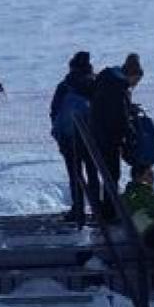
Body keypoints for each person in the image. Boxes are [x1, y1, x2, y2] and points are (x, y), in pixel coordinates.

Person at [90, 53, 143, 219]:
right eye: (136, 80)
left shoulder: (109, 80)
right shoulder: (118, 87)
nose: (135, 84)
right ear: (132, 74)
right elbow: (118, 116)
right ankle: (109, 211)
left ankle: (107, 209)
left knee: (108, 173)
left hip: (99, 132)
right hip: (108, 136)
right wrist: (129, 132)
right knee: (112, 174)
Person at [50, 51, 99, 222]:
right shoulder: (95, 83)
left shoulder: (65, 85)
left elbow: (54, 111)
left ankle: (78, 209)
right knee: (93, 172)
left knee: (75, 173)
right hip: (91, 137)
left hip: (69, 139)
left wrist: (59, 134)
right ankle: (97, 208)